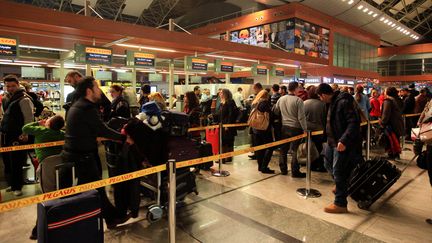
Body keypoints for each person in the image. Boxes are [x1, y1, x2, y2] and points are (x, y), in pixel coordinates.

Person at [61, 76, 129, 229]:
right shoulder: (87, 107)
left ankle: (112, 218)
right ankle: (112, 218)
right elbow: (101, 128)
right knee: (96, 190)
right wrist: (123, 138)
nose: (100, 91)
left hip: (71, 154)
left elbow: (91, 129)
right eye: (97, 88)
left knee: (63, 192)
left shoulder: (77, 105)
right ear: (89, 91)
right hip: (82, 157)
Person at [316, 83, 361, 214]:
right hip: (332, 141)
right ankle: (340, 184)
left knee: (339, 170)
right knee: (327, 163)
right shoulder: (332, 102)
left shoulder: (343, 101)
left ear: (324, 94)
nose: (320, 99)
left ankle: (340, 203)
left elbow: (353, 122)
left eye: (320, 96)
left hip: (341, 142)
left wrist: (344, 140)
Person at [1, 75, 34, 196]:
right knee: (8, 161)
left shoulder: (24, 99)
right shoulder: (7, 98)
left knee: (16, 162)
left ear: (18, 85)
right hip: (6, 135)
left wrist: (25, 133)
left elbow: (29, 119)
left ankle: (17, 186)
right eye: (8, 86)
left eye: (13, 86)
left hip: (18, 136)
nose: (10, 88)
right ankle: (12, 184)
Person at [273, 81, 307, 177]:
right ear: (296, 89)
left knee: (283, 149)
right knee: (296, 150)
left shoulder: (281, 99)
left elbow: (276, 110)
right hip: (296, 128)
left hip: (284, 127)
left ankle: (283, 169)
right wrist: (305, 129)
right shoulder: (298, 100)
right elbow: (301, 117)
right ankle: (295, 171)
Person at [250, 90, 274, 173]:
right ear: (266, 96)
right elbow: (270, 115)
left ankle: (260, 166)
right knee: (269, 147)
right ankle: (264, 167)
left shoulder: (254, 103)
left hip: (255, 128)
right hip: (264, 129)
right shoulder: (265, 103)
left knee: (259, 149)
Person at [304, 85, 327, 172]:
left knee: (309, 149)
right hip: (319, 130)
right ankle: (321, 165)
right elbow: (325, 118)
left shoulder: (304, 103)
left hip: (307, 130)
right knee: (320, 149)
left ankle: (311, 165)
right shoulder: (323, 104)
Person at [380, 87, 404, 160]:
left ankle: (392, 154)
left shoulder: (388, 101)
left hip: (391, 124)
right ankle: (396, 154)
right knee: (395, 139)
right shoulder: (398, 100)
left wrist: (383, 122)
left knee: (390, 140)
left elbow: (386, 113)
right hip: (397, 123)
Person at [214, 89, 237, 163]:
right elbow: (219, 114)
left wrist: (228, 125)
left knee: (228, 141)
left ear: (226, 94)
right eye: (219, 93)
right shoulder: (221, 103)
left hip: (227, 125)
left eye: (221, 93)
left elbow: (231, 114)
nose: (220, 94)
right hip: (222, 124)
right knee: (222, 141)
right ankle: (223, 158)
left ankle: (227, 157)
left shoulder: (230, 102)